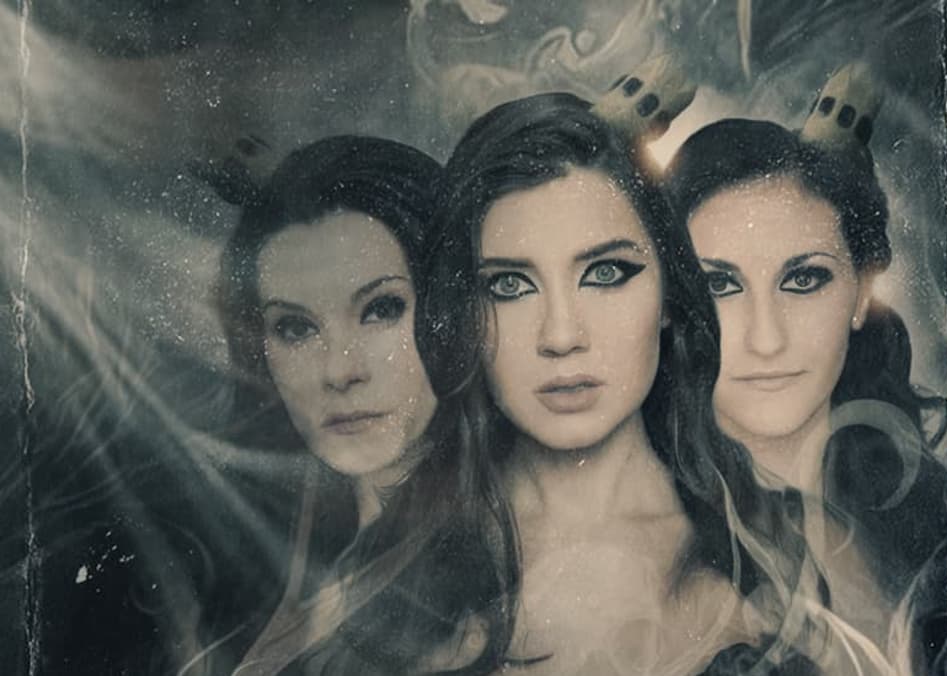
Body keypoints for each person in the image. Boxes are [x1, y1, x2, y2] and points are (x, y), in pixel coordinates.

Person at [414, 92, 830, 675]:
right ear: (461, 314)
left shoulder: (776, 556)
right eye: (509, 286)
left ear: (669, 294)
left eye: (605, 273)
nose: (561, 336)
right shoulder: (405, 563)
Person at [215, 135, 514, 675]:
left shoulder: (501, 578)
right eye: (295, 328)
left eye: (381, 309)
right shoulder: (271, 543)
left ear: (452, 312)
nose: (339, 370)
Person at [665, 113, 947, 645]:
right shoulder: (642, 546)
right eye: (719, 287)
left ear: (862, 292)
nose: (766, 339)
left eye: (803, 279)